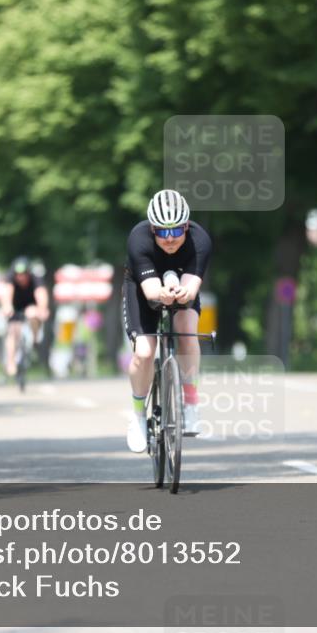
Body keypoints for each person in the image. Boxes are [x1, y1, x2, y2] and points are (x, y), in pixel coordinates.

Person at [123, 189, 212, 453]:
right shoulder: (138, 239)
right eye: (162, 232)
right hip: (142, 287)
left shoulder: (201, 241)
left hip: (181, 282)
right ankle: (138, 416)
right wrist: (161, 293)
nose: (170, 238)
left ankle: (191, 404)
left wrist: (182, 294)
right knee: (144, 352)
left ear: (187, 226)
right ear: (152, 229)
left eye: (177, 231)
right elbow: (152, 294)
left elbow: (191, 289)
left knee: (186, 330)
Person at [2, 256, 50, 377]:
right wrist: (7, 307)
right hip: (16, 308)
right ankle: (11, 361)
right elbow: (7, 294)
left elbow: (41, 295)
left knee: (33, 317)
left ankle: (34, 340)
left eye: (23, 274)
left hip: (32, 307)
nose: (20, 277)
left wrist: (41, 309)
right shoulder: (10, 279)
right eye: (18, 274)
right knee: (12, 331)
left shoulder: (36, 279)